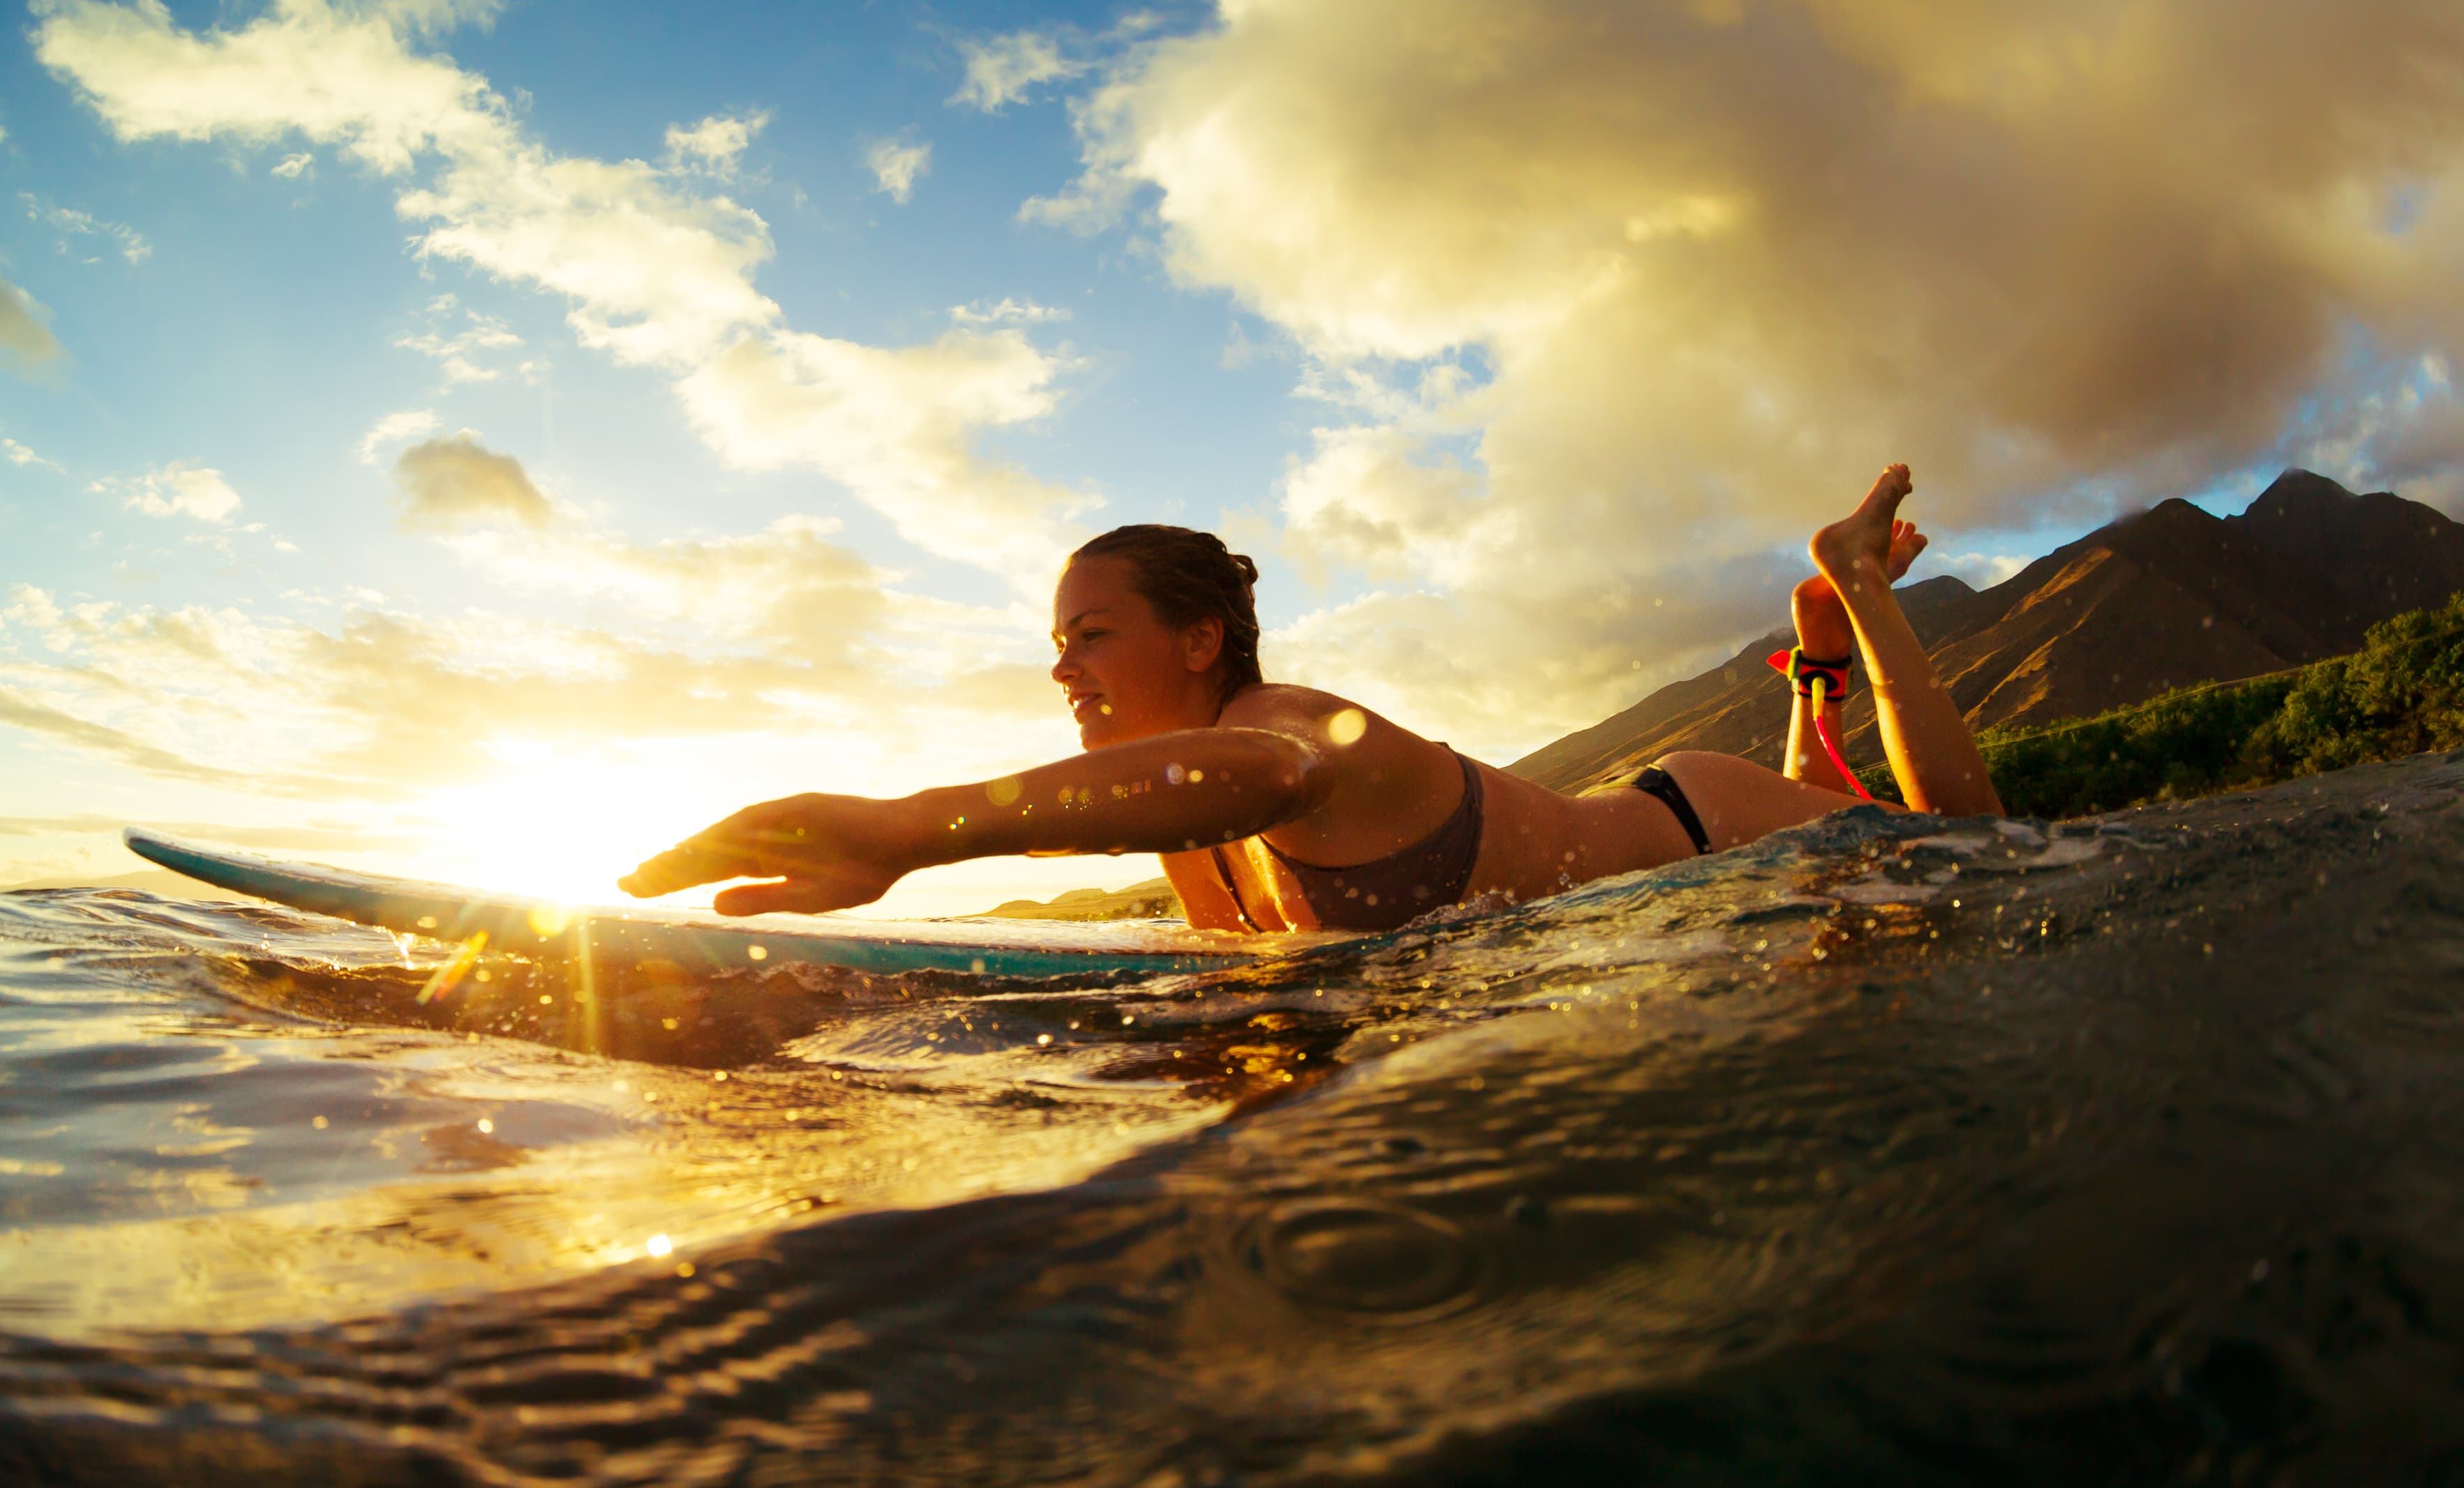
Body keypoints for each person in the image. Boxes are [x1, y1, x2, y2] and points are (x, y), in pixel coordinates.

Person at [621, 464, 2003, 930]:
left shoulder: (1278, 732)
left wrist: (909, 831)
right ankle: (1818, 658)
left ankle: (1858, 591)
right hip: (1674, 902)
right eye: (1057, 642)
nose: (1062, 669)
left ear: (1206, 641)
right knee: (1891, 831)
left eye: (1091, 635)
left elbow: (1265, 784)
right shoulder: (1183, 825)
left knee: (1978, 849)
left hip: (1692, 827)